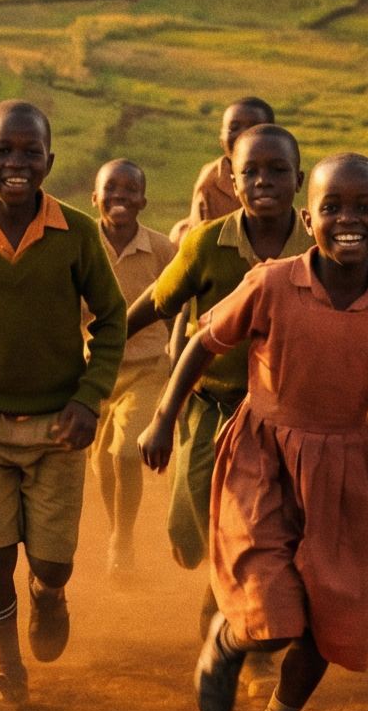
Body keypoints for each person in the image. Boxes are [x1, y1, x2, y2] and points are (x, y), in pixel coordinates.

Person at [141, 153, 368, 711]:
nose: (348, 220)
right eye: (332, 208)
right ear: (308, 217)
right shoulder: (272, 283)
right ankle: (230, 643)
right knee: (271, 612)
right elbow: (202, 343)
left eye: (365, 208)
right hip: (263, 456)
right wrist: (165, 417)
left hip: (345, 469)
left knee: (332, 613)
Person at [0, 102, 127, 711]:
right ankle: (7, 673)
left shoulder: (75, 233)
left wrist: (88, 399)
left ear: (50, 159)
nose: (16, 164)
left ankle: (49, 594)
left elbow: (113, 318)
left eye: (30, 152)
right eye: (3, 152)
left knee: (50, 561)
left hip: (58, 427)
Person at [126, 124, 304, 616]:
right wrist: (109, 339)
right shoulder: (206, 244)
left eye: (278, 171)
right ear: (232, 179)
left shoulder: (317, 246)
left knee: (261, 519)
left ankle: (234, 615)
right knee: (192, 523)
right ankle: (216, 573)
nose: (264, 181)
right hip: (209, 403)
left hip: (283, 413)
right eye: (251, 172)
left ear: (300, 180)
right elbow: (160, 302)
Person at [89, 159, 176, 575]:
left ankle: (123, 538)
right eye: (111, 188)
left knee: (125, 453)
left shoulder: (161, 248)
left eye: (130, 190)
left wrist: (176, 350)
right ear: (95, 197)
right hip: (93, 369)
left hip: (148, 367)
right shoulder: (81, 243)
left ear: (143, 200)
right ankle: (116, 528)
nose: (120, 196)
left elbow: (178, 301)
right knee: (101, 463)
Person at [180, 96, 277, 236]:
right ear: (221, 138)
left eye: (254, 128)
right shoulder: (212, 179)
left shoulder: (283, 172)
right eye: (234, 128)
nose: (242, 135)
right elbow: (200, 234)